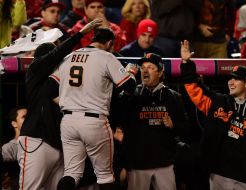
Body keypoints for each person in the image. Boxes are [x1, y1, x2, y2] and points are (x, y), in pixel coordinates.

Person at [17, 19, 102, 190]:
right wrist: (80, 34)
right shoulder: (35, 70)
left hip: (59, 145)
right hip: (36, 140)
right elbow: (55, 55)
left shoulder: (63, 82)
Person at [52, 27, 137, 190]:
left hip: (68, 120)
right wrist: (131, 73)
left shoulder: (70, 56)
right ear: (110, 43)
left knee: (71, 174)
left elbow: (50, 87)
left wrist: (70, 103)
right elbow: (130, 86)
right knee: (105, 175)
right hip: (94, 120)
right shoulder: (106, 56)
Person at [180, 40, 246, 190]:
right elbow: (195, 91)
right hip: (219, 174)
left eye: (236, 79)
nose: (231, 82)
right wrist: (186, 63)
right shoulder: (218, 102)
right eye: (230, 78)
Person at [119, 53, 190, 190]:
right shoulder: (131, 95)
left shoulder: (174, 97)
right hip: (138, 164)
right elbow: (118, 116)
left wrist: (173, 125)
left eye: (150, 67)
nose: (144, 71)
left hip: (165, 164)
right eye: (143, 67)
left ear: (160, 72)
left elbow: (186, 128)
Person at [1, 106, 27, 190]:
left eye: (29, 116)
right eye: (24, 117)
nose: (29, 120)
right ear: (14, 123)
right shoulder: (10, 147)